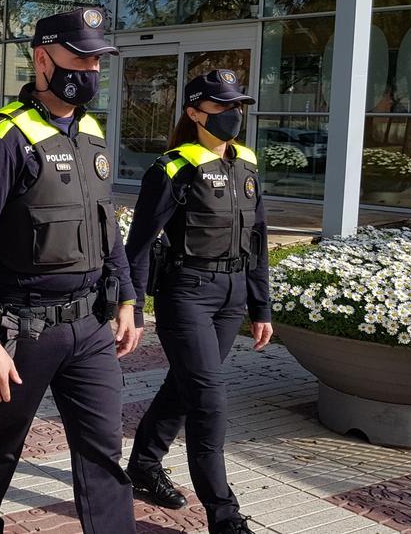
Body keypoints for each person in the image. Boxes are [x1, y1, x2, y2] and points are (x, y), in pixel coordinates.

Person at [0, 7, 143, 534]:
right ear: (42, 59)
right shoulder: (4, 137)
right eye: (80, 57)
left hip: (91, 329)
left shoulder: (92, 132)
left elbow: (108, 227)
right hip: (23, 330)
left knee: (104, 455)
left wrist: (128, 298)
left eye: (98, 61)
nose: (90, 71)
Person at [122, 69, 273, 534]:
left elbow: (259, 237)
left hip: (230, 300)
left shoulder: (245, 163)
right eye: (222, 108)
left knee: (186, 388)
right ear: (194, 113)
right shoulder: (172, 168)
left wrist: (260, 305)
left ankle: (143, 466)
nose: (233, 115)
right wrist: (132, 306)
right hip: (186, 295)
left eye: (238, 107)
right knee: (209, 402)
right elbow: (140, 244)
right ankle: (224, 517)